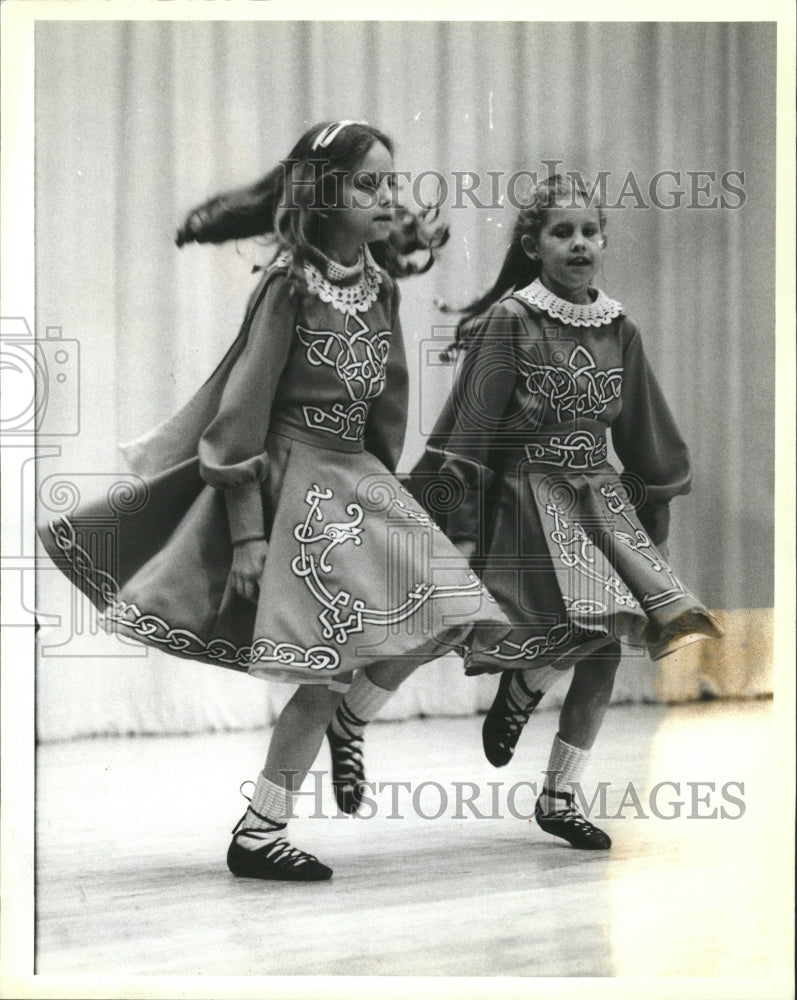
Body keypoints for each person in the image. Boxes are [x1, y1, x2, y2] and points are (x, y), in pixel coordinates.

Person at [39, 120, 507, 881]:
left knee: (454, 608)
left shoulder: (380, 287)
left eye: (390, 183)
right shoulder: (287, 287)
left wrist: (385, 500)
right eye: (366, 184)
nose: (386, 198)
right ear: (323, 197)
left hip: (355, 482)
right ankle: (261, 830)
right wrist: (250, 534)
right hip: (290, 488)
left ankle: (353, 720)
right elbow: (239, 416)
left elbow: (386, 400)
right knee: (321, 672)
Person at [335, 172, 724, 849]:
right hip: (515, 501)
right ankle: (351, 719)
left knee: (602, 643)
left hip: (594, 503)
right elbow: (471, 428)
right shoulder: (510, 320)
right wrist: (454, 526)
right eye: (561, 233)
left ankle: (558, 795)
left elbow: (644, 430)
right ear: (532, 244)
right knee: (443, 627)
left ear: (603, 240)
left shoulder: (618, 326)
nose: (578, 244)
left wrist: (651, 509)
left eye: (588, 232)